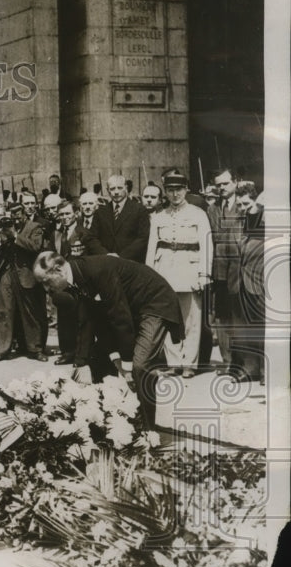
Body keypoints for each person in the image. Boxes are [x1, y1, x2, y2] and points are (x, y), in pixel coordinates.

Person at [34, 252, 184, 430]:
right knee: (97, 358)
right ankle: (110, 422)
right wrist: (93, 360)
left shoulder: (97, 270)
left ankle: (148, 430)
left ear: (59, 270)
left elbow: (120, 317)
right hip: (132, 308)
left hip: (155, 303)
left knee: (140, 365)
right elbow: (90, 320)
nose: (45, 289)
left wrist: (126, 364)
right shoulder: (74, 278)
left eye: (46, 281)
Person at [145, 171, 213, 378]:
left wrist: (204, 274)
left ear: (186, 190)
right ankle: (173, 361)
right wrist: (150, 276)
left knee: (192, 320)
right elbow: (152, 247)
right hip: (165, 270)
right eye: (170, 190)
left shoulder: (198, 214)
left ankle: (189, 364)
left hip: (190, 270)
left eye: (179, 189)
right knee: (169, 318)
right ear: (165, 192)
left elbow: (206, 245)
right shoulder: (159, 217)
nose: (175, 194)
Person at [0, 202, 48, 361]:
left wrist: (15, 236)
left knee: (30, 314)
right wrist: (2, 238)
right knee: (3, 311)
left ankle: (35, 349)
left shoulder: (35, 227)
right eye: (13, 216)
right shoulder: (8, 228)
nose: (16, 219)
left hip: (26, 274)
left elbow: (35, 247)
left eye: (18, 216)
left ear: (25, 214)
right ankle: (2, 349)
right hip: (8, 272)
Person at [50, 199, 107, 366]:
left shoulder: (84, 233)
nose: (65, 217)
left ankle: (82, 356)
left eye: (68, 213)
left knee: (83, 319)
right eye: (61, 214)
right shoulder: (57, 234)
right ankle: (68, 351)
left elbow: (99, 254)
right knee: (64, 318)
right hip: (63, 283)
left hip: (82, 283)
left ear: (76, 214)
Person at [206, 168, 244, 377]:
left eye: (225, 184)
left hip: (239, 271)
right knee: (221, 317)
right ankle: (227, 361)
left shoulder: (244, 206)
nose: (221, 188)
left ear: (236, 182)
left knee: (239, 317)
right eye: (218, 185)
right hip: (219, 270)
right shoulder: (212, 209)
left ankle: (244, 363)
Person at [233, 181, 266, 383]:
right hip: (242, 283)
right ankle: (251, 369)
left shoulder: (267, 221)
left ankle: (265, 371)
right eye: (240, 205)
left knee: (264, 327)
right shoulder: (239, 221)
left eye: (246, 204)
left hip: (262, 282)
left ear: (256, 201)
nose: (243, 208)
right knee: (247, 327)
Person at [92, 174, 150, 261]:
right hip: (106, 262)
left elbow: (143, 238)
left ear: (126, 188)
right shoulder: (100, 212)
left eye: (119, 188)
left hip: (131, 262)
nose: (116, 192)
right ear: (108, 191)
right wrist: (106, 254)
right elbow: (92, 237)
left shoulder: (139, 209)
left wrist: (121, 257)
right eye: (112, 189)